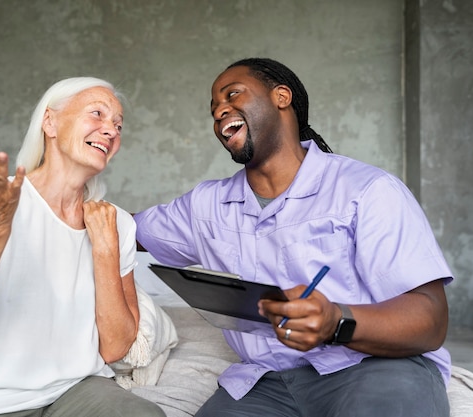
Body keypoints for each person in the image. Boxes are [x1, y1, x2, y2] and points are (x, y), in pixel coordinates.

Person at [134, 58, 453, 417]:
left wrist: (336, 321)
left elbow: (431, 320)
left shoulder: (367, 190)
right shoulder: (205, 205)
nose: (220, 110)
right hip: (266, 383)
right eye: (213, 108)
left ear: (281, 97)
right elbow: (121, 229)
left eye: (232, 94)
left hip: (374, 367)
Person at [0, 77, 165, 417]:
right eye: (97, 114)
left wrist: (106, 250)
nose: (110, 130)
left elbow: (114, 348)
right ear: (49, 122)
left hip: (77, 389)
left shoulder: (117, 224)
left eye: (118, 125)